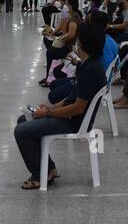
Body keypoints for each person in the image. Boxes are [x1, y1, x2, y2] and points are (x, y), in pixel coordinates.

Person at [13, 21, 107, 189]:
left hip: (74, 122)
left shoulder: (92, 70)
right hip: (69, 116)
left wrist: (48, 114)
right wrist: (49, 108)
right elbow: (71, 98)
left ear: (82, 42)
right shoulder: (86, 65)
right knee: (23, 119)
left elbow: (77, 107)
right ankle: (48, 169)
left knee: (21, 131)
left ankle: (38, 175)